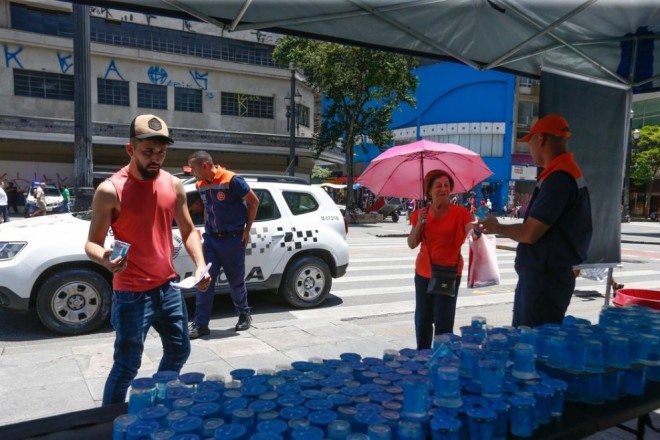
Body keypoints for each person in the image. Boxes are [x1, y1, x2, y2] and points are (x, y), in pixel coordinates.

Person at [84, 114, 211, 406]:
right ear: (130, 149)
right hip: (130, 293)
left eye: (162, 152)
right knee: (127, 365)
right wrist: (105, 258)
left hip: (168, 287)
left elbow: (189, 229)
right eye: (148, 152)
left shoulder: (173, 184)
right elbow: (92, 243)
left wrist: (200, 265)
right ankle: (110, 421)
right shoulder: (110, 190)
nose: (156, 159)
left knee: (180, 350)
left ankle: (156, 401)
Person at [478, 113, 592, 328]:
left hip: (545, 278)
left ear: (540, 139)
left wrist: (497, 227)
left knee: (532, 344)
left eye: (530, 142)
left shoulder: (559, 178)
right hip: (545, 275)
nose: (529, 149)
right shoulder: (560, 174)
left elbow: (530, 233)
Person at [187, 150, 259, 339]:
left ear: (204, 166)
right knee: (204, 281)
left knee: (236, 281)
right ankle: (201, 324)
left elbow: (254, 202)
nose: (192, 172)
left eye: (193, 168)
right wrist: (205, 230)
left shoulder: (231, 180)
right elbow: (207, 209)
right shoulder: (200, 184)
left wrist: (246, 230)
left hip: (232, 239)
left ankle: (244, 313)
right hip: (211, 239)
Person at [407, 170, 479, 350]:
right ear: (429, 191)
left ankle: (441, 361)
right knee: (423, 320)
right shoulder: (419, 213)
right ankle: (422, 357)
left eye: (446, 185)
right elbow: (411, 244)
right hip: (423, 274)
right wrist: (419, 223)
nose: (443, 189)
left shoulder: (460, 213)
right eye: (438, 185)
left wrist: (477, 230)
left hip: (448, 274)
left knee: (443, 323)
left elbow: (471, 230)